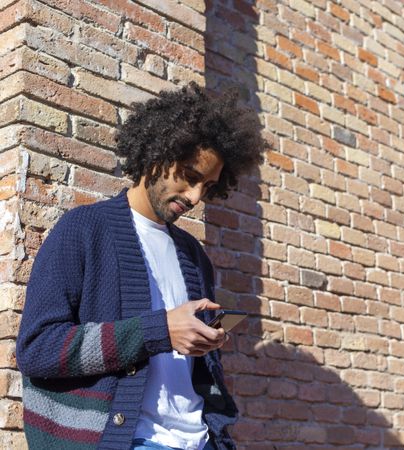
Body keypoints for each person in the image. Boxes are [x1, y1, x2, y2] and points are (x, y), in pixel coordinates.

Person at [16, 83, 265, 450]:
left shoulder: (193, 255)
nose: (196, 197)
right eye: (190, 176)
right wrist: (159, 329)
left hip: (200, 441)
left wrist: (204, 341)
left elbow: (189, 369)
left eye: (208, 187)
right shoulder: (83, 230)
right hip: (129, 440)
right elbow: (37, 349)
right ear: (157, 154)